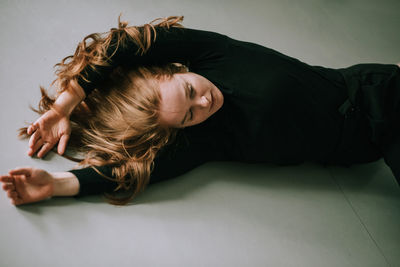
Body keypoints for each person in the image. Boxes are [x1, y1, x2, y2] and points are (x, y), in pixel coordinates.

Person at [1, 16, 399, 206]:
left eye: (191, 91)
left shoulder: (216, 54)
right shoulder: (208, 139)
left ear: (173, 71)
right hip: (367, 147)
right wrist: (56, 185)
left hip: (380, 97)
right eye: (190, 113)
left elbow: (125, 43)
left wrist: (63, 106)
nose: (205, 103)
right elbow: (131, 172)